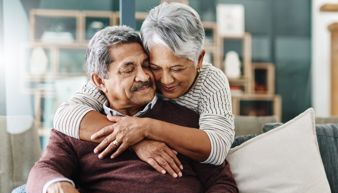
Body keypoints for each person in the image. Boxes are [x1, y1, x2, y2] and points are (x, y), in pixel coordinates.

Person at [4, 26, 238, 193]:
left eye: (146, 65)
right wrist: (58, 187)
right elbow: (43, 169)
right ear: (99, 81)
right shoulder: (78, 125)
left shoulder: (184, 120)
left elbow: (222, 184)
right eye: (128, 69)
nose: (144, 76)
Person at [53, 2, 234, 177]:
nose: (165, 80)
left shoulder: (211, 81)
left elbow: (217, 148)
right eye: (154, 67)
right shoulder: (137, 77)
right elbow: (65, 115)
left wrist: (147, 128)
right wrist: (138, 141)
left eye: (177, 69)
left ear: (200, 59)